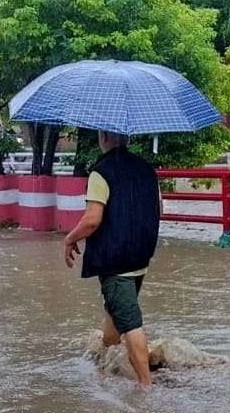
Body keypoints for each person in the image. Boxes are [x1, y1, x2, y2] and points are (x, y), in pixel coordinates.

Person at [64, 131, 161, 388]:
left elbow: (92, 220)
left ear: (104, 136)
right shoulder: (146, 169)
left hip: (115, 260)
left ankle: (146, 387)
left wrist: (70, 239)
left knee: (131, 323)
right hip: (141, 255)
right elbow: (160, 209)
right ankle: (109, 362)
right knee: (114, 321)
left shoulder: (100, 172)